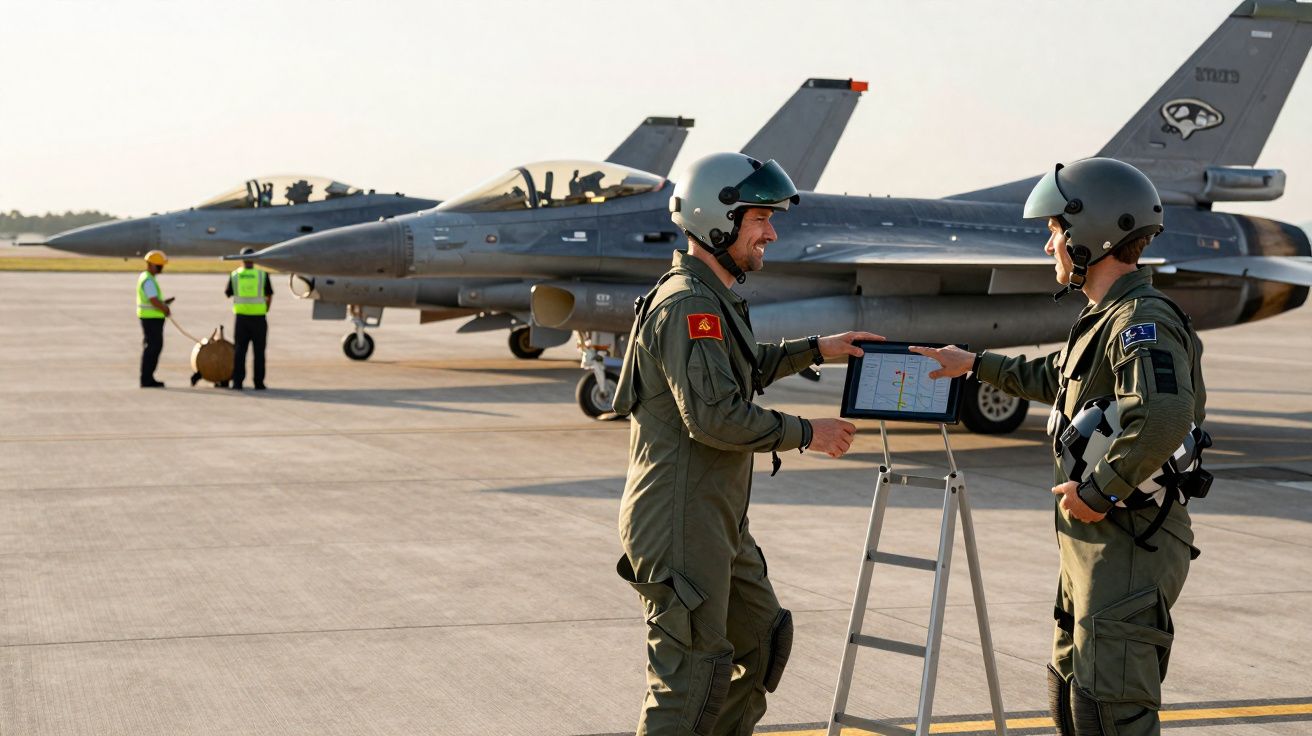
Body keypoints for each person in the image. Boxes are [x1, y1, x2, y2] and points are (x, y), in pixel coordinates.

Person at [911, 157, 1207, 736]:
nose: (1050, 245)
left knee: (1112, 713)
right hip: (1095, 543)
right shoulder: (1105, 319)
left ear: (1089, 235)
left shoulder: (1141, 322)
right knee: (1076, 701)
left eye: (1054, 231)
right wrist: (973, 364)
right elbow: (1057, 378)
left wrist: (1100, 491)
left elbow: (1166, 412)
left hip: (1127, 540)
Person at [610, 152, 882, 735]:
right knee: (691, 677)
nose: (771, 233)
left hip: (716, 517)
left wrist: (817, 348)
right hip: (681, 520)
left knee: (759, 644)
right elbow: (714, 417)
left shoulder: (712, 295)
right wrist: (808, 433)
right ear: (718, 219)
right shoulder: (688, 304)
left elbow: (738, 372)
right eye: (760, 219)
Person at [225, 247, 273, 390]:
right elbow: (269, 295)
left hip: (241, 319)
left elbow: (228, 293)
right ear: (255, 259)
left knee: (240, 351)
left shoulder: (235, 275)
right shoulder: (262, 275)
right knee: (259, 353)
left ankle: (237, 382)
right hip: (259, 318)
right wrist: (265, 308)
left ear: (241, 259)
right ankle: (259, 382)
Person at [136, 250, 171, 388]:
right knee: (153, 348)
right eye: (159, 266)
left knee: (152, 347)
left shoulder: (147, 277)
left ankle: (148, 377)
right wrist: (165, 308)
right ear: (151, 265)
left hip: (150, 318)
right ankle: (147, 379)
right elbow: (153, 300)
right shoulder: (148, 280)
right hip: (151, 319)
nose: (161, 269)